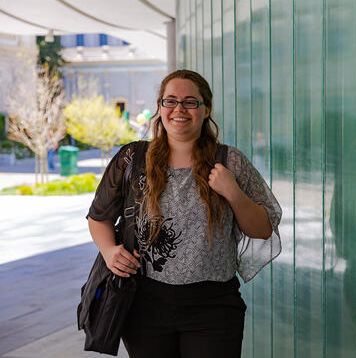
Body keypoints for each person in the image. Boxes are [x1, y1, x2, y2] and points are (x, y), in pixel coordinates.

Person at [87, 70, 282, 358]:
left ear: (206, 110)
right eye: (171, 101)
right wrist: (108, 250)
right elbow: (98, 216)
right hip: (144, 303)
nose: (179, 109)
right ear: (160, 108)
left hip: (213, 307)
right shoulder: (132, 159)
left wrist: (233, 192)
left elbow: (262, 229)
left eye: (190, 102)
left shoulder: (230, 161)